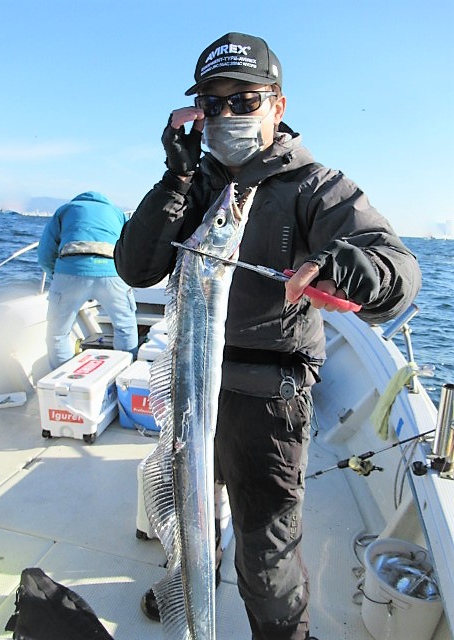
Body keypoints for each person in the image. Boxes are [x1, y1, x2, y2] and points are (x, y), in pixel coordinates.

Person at [114, 32, 421, 640]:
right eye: (213, 103)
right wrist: (175, 178)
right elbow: (136, 268)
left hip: (266, 399)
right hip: (190, 386)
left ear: (277, 106)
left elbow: (397, 268)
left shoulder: (315, 186)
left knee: (266, 554)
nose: (228, 114)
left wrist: (354, 267)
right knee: (190, 510)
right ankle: (193, 582)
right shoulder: (196, 185)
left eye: (245, 100)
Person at [38, 191, 138, 370]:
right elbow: (130, 247)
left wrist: (55, 275)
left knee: (58, 334)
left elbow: (45, 251)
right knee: (125, 328)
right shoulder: (117, 213)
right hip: (112, 273)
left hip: (70, 273)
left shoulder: (64, 210)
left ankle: (62, 379)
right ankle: (126, 375)